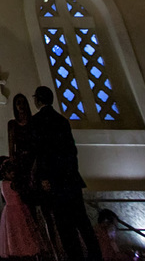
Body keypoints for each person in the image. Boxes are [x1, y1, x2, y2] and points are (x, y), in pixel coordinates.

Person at [31, 86, 101, 261]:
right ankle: (95, 255)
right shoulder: (62, 120)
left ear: (38, 100)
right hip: (70, 178)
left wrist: (44, 177)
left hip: (55, 181)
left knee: (64, 225)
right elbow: (71, 150)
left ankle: (75, 255)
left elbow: (41, 152)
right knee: (81, 220)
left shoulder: (37, 121)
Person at [0, 155, 41, 258]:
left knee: (14, 232)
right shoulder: (13, 184)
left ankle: (17, 249)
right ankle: (23, 250)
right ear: (6, 173)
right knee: (21, 232)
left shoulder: (3, 184)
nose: (13, 174)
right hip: (17, 210)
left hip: (9, 210)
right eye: (11, 172)